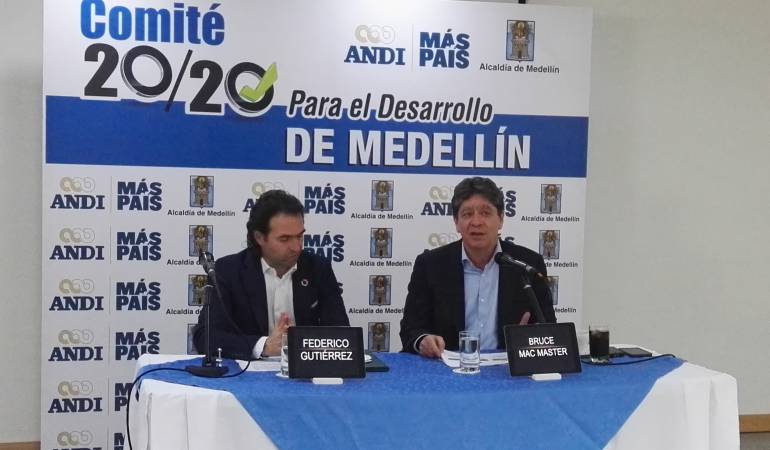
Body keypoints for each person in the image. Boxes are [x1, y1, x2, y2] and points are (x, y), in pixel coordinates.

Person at [400, 177, 556, 358]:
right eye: (467, 214)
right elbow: (410, 329)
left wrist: (530, 337)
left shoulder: (527, 264)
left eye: (485, 213)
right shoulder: (430, 265)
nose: (476, 222)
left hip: (507, 367)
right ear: (456, 222)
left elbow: (549, 328)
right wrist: (423, 340)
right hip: (446, 368)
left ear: (501, 220)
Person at [193, 190, 349, 360]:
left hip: (306, 368)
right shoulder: (228, 271)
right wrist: (264, 346)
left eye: (299, 236)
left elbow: (341, 333)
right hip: (250, 371)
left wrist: (304, 345)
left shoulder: (318, 268)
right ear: (259, 237)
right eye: (284, 239)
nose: (296, 247)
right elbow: (205, 337)